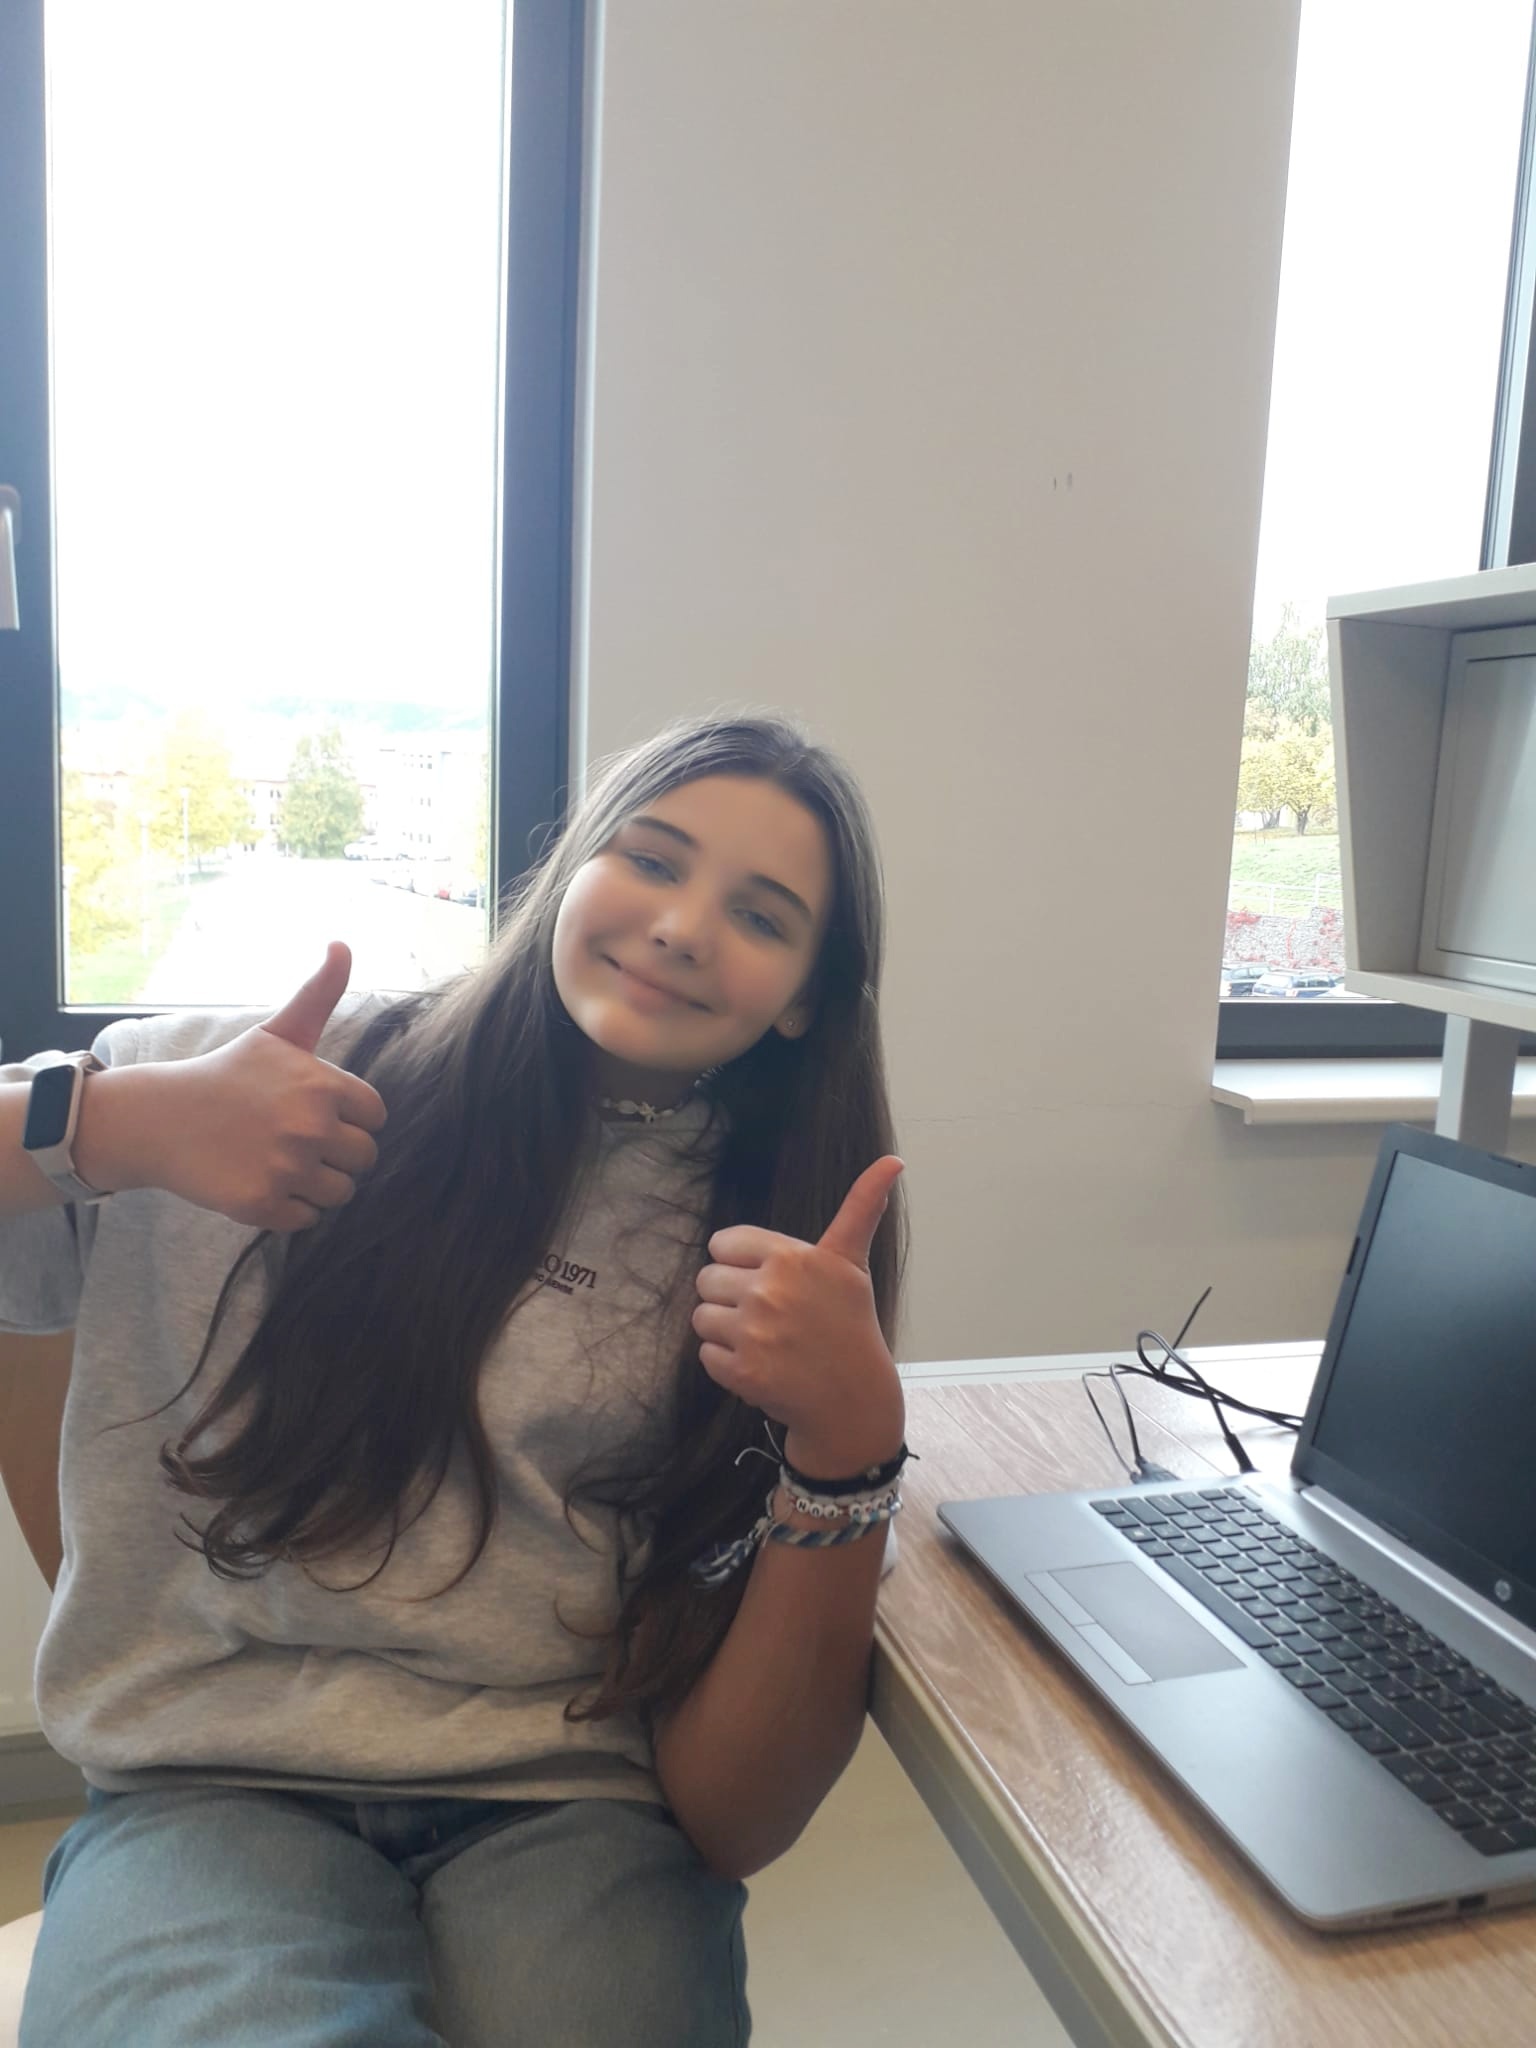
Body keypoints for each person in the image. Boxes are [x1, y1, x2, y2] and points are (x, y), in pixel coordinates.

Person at [0, 711, 909, 2048]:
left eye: (760, 916)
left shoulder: (776, 1242)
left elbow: (738, 1819)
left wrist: (855, 1446)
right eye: (651, 860)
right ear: (570, 870)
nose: (679, 927)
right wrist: (108, 1123)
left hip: (576, 1806)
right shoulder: (270, 1080)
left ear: (805, 999)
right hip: (205, 1781)